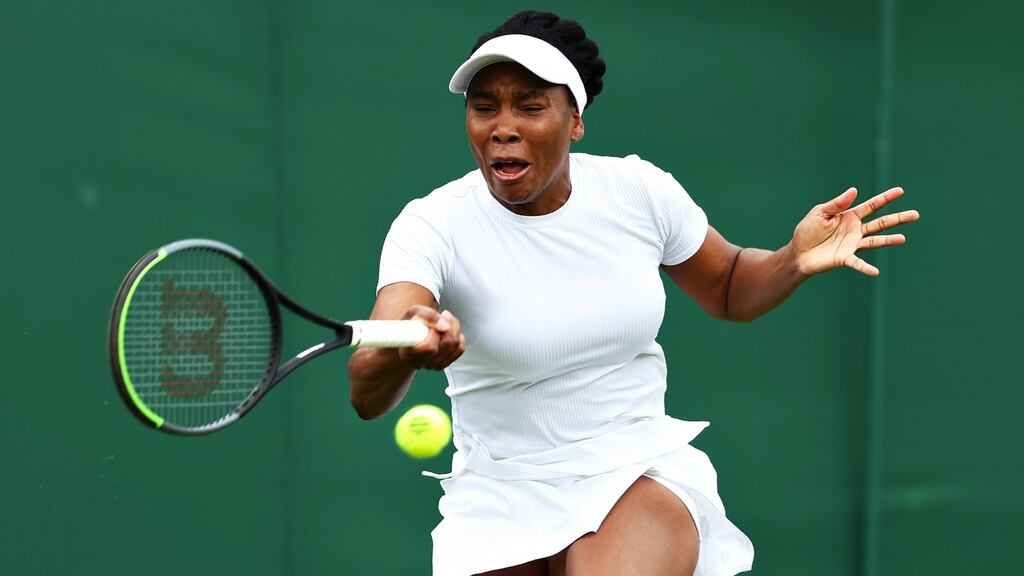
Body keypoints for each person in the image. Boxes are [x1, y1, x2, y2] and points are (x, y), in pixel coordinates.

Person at [347, 10, 918, 576]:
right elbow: (367, 390)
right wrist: (406, 352)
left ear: (575, 120)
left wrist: (793, 259)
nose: (503, 126)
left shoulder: (637, 191)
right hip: (495, 493)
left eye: (530, 104)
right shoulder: (431, 226)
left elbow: (728, 287)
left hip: (631, 470)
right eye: (484, 106)